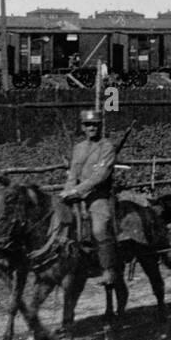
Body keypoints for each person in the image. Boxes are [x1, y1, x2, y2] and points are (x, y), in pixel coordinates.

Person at [60, 109, 119, 288]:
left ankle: (108, 269)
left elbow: (99, 176)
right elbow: (73, 174)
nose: (91, 128)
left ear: (100, 126)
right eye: (88, 125)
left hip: (98, 196)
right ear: (82, 127)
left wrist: (77, 190)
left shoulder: (107, 147)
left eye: (95, 124)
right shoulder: (78, 148)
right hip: (77, 195)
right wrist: (67, 190)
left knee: (99, 228)